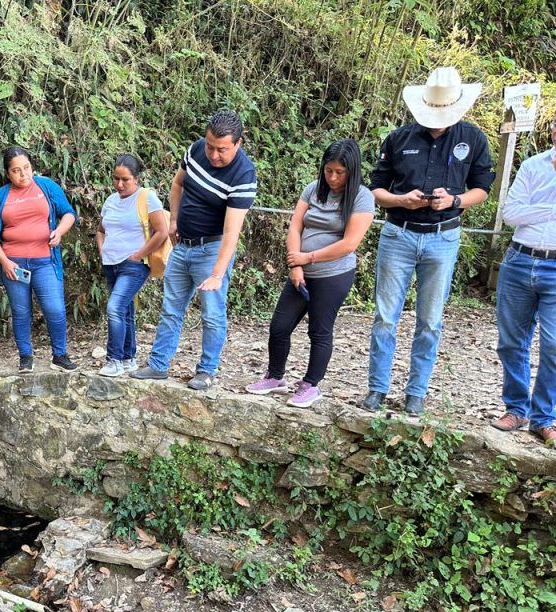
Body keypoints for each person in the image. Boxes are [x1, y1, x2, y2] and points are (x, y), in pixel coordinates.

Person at [362, 67, 495, 415]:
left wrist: (454, 200)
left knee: (430, 320)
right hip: (399, 233)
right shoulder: (398, 138)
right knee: (385, 317)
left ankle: (416, 392)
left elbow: (482, 189)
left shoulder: (473, 138)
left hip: (443, 237)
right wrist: (401, 200)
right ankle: (377, 388)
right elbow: (376, 189)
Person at [130, 109, 257, 390]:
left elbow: (231, 233)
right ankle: (158, 365)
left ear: (238, 143)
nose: (213, 155)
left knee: (212, 314)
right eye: (210, 146)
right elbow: (178, 183)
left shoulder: (244, 174)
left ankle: (207, 370)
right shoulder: (197, 149)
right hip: (182, 245)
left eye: (222, 150)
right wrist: (173, 220)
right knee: (171, 309)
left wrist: (217, 274)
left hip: (212, 249)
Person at [245, 139, 375, 407]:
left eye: (340, 172)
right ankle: (275, 376)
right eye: (329, 171)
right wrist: (296, 265)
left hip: (334, 274)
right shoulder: (313, 189)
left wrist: (309, 257)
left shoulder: (362, 197)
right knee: (279, 326)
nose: (333, 178)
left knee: (319, 330)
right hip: (301, 271)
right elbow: (295, 227)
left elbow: (349, 243)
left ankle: (311, 384)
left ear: (352, 171)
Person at [0, 146, 79, 373]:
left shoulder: (46, 187)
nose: (23, 174)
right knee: (21, 311)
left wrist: (59, 231)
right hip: (13, 264)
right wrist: (4, 261)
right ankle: (25, 357)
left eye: (26, 168)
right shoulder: (0, 196)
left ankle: (60, 355)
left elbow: (68, 213)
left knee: (54, 308)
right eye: (16, 170)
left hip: (45, 261)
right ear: (8, 173)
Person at [492, 118, 556, 446]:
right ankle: (516, 408)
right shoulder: (533, 165)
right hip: (519, 259)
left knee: (554, 344)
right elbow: (512, 214)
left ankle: (544, 417)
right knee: (511, 342)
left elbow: (524, 211)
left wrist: (536, 208)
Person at [95, 154, 168, 377]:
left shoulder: (147, 198)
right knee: (124, 310)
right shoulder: (110, 200)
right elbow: (101, 230)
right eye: (116, 178)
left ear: (136, 178)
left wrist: (138, 255)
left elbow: (162, 231)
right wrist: (102, 249)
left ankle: (114, 359)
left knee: (115, 308)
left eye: (125, 179)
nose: (119, 184)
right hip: (111, 263)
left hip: (134, 264)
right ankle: (128, 358)